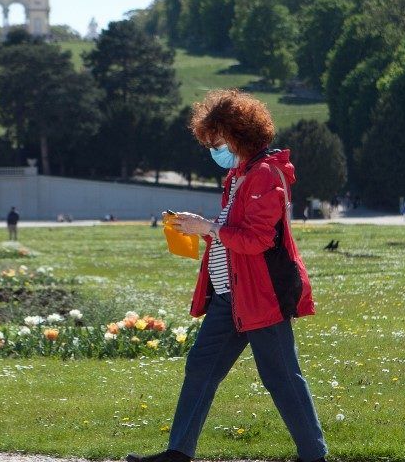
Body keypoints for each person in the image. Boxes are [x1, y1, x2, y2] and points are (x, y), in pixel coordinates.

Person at [127, 89, 327, 462]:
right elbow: (233, 231)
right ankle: (178, 453)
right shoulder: (240, 175)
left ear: (239, 133)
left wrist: (211, 228)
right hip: (229, 296)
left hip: (259, 296)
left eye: (217, 141)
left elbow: (257, 240)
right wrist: (202, 228)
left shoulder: (265, 175)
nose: (214, 150)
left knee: (282, 377)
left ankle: (314, 455)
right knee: (201, 367)